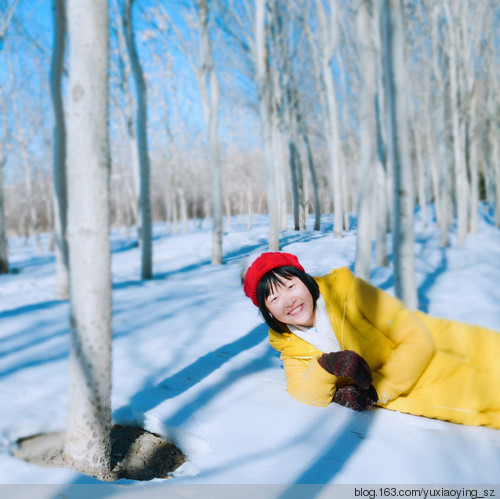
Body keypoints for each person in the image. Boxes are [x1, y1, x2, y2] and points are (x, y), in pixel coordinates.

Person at [242, 251, 500, 429]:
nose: (289, 301)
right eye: (273, 299)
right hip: (449, 401)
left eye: (290, 286)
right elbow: (306, 395)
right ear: (268, 311)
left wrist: (375, 391)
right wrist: (326, 367)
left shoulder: (348, 292)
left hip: (464, 355)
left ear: (305, 281)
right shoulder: (289, 345)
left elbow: (418, 337)